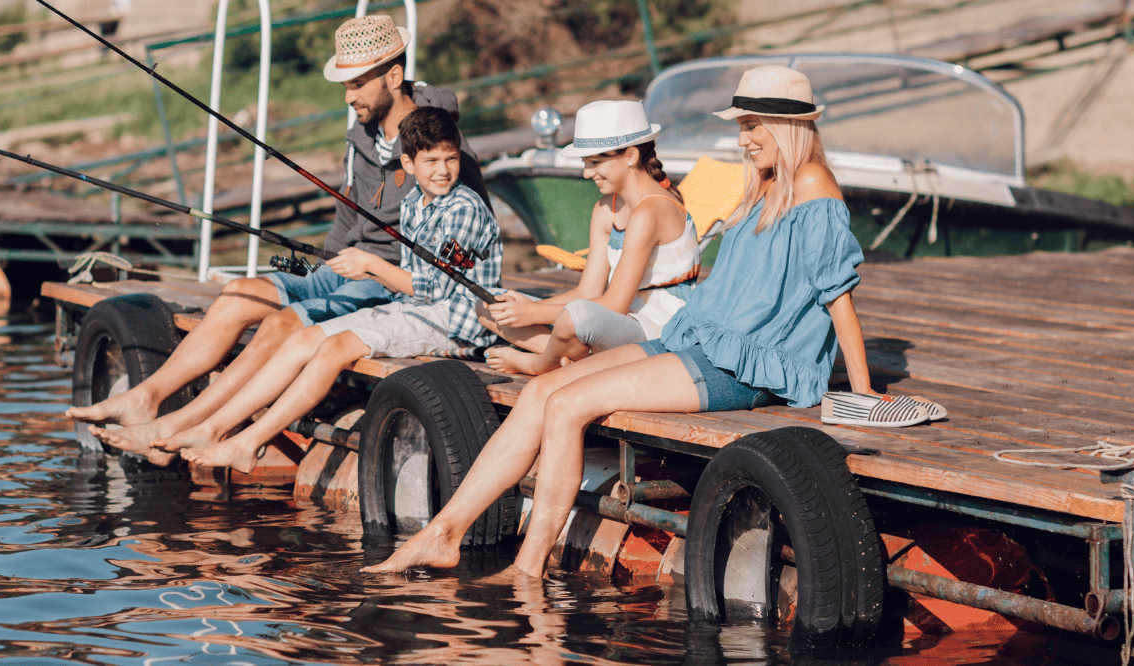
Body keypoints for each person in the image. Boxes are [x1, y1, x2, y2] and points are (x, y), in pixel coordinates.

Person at [363, 65, 875, 578]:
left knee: (567, 405)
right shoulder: (763, 183)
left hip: (752, 362)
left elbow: (837, 292)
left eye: (751, 126)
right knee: (544, 392)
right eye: (741, 126)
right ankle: (443, 532)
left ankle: (526, 569)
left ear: (785, 126)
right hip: (705, 339)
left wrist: (863, 392)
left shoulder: (812, 180)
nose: (742, 139)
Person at [67, 15, 488, 460]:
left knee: (282, 324)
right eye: (345, 86)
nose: (349, 98)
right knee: (239, 293)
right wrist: (325, 265)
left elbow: (467, 233)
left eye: (358, 84)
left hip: (388, 282)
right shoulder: (362, 136)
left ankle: (185, 427)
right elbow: (347, 214)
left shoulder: (439, 144)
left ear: (394, 76)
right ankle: (146, 398)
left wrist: (389, 268)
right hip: (344, 266)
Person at [169, 106, 503, 472]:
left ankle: (248, 443)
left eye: (451, 159)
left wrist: (372, 265)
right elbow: (413, 281)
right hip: (416, 308)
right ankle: (212, 428)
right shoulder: (413, 204)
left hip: (456, 321)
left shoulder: (464, 208)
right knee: (301, 339)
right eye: (432, 160)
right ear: (408, 164)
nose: (443, 170)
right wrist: (361, 269)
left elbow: (438, 287)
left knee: (333, 349)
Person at [480, 100, 698, 377]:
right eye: (585, 163)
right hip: (615, 321)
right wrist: (522, 308)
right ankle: (567, 355)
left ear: (631, 156)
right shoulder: (605, 209)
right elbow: (588, 292)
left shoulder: (650, 211)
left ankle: (539, 364)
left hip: (658, 330)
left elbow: (615, 304)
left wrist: (533, 313)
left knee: (575, 318)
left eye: (595, 162)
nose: (586, 173)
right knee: (489, 305)